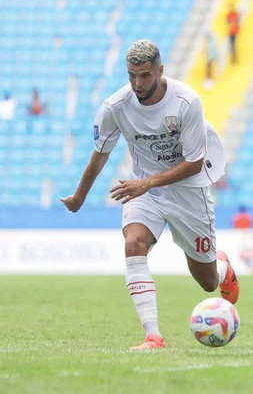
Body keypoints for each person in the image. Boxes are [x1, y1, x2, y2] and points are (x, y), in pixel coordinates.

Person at [60, 40, 239, 350]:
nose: (137, 83)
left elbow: (194, 162)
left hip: (189, 191)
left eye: (144, 76)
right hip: (145, 190)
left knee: (207, 282)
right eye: (131, 75)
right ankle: (153, 335)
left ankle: (223, 268)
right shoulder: (115, 107)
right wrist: (79, 197)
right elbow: (99, 155)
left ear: (160, 70)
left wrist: (148, 183)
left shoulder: (186, 102)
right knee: (134, 242)